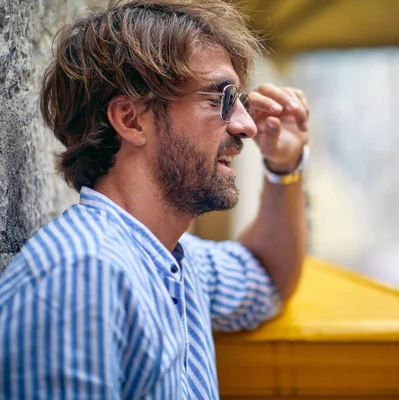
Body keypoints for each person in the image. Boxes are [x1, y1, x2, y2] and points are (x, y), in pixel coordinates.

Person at [0, 0, 309, 398]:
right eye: (221, 98)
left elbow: (266, 278)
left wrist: (285, 166)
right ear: (130, 119)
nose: (247, 126)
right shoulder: (82, 277)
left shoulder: (171, 260)